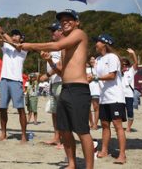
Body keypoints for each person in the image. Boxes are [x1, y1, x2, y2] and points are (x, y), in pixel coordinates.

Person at [19, 9, 94, 169]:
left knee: (82, 131)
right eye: (62, 20)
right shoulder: (65, 47)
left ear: (77, 22)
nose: (65, 21)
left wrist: (30, 45)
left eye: (69, 19)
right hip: (65, 88)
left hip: (79, 89)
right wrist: (51, 63)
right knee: (65, 130)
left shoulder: (79, 34)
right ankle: (72, 164)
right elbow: (61, 70)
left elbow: (57, 44)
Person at [0, 9, 28, 144]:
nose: (14, 36)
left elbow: (15, 45)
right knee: (3, 108)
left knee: (20, 109)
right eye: (13, 34)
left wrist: (3, 32)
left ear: (22, 38)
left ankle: (23, 135)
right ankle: (3, 133)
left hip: (16, 81)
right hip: (4, 80)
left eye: (17, 35)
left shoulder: (23, 48)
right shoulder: (6, 46)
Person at [92, 34, 127, 164]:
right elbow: (97, 76)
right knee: (105, 125)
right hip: (104, 98)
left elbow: (112, 76)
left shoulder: (112, 57)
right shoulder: (98, 59)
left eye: (97, 42)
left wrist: (95, 78)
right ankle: (104, 150)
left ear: (105, 44)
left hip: (115, 97)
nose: (95, 44)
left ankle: (122, 154)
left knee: (118, 126)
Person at [39, 21, 64, 147]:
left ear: (61, 31)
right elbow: (53, 61)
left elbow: (61, 65)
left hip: (61, 82)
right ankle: (56, 137)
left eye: (53, 30)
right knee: (54, 112)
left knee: (62, 113)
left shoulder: (64, 46)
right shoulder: (54, 46)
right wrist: (47, 56)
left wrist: (47, 75)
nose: (51, 33)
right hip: (53, 83)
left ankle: (64, 139)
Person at [122, 48, 138, 133]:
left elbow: (136, 63)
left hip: (129, 95)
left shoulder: (131, 71)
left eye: (126, 64)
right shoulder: (118, 72)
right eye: (123, 64)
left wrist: (133, 53)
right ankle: (120, 127)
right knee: (120, 112)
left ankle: (128, 127)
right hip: (120, 95)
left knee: (130, 111)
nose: (124, 66)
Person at [86, 56, 100, 130]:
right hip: (87, 90)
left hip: (96, 90)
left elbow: (101, 76)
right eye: (91, 59)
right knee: (87, 108)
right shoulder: (86, 69)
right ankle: (91, 123)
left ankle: (95, 124)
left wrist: (93, 76)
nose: (92, 60)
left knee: (96, 107)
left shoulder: (98, 68)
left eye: (93, 59)